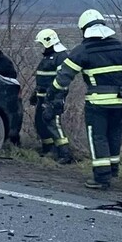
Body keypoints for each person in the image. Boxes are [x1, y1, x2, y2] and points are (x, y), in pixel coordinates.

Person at [44, 9, 122, 189]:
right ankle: (113, 170)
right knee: (114, 135)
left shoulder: (83, 50)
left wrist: (51, 93)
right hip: (119, 102)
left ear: (84, 29)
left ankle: (101, 178)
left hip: (97, 103)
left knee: (98, 137)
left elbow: (64, 76)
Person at [30, 29, 72, 164]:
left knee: (54, 124)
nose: (41, 46)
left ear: (48, 41)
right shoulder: (48, 56)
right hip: (42, 97)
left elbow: (63, 80)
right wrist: (35, 93)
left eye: (42, 43)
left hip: (54, 98)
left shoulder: (61, 56)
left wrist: (57, 100)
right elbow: (42, 78)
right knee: (40, 123)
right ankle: (48, 149)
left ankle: (65, 154)